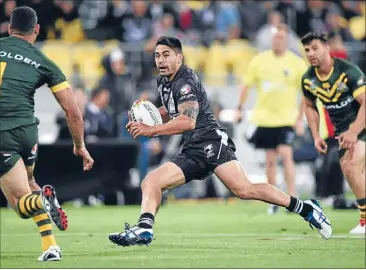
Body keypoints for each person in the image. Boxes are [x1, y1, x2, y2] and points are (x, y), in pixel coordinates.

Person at [108, 36, 332, 247]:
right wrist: (147, 116)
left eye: (166, 55)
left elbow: (188, 121)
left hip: (211, 142)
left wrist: (152, 129)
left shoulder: (184, 80)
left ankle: (305, 207)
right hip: (193, 148)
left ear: (179, 57)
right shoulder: (164, 81)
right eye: (157, 55)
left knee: (244, 190)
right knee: (151, 182)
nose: (161, 60)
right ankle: (144, 229)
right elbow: (171, 108)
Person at [0, 6, 94, 261]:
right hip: (28, 132)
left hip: (2, 132)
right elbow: (73, 111)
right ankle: (50, 246)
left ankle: (43, 201)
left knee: (21, 204)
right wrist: (80, 146)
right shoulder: (44, 61)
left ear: (9, 29)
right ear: (37, 31)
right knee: (30, 186)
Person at [236, 24, 307, 215]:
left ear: (287, 41)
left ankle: (292, 198)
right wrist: (239, 108)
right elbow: (246, 85)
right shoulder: (259, 61)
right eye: (276, 38)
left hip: (286, 119)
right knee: (270, 161)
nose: (278, 41)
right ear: (271, 40)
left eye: (282, 38)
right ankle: (274, 200)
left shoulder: (297, 63)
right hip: (265, 119)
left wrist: (300, 118)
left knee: (286, 156)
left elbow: (307, 92)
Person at [301, 31, 365, 234]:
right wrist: (316, 135)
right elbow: (309, 106)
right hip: (342, 131)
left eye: (315, 48)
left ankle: (365, 220)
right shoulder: (308, 79)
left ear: (327, 48)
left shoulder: (348, 72)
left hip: (360, 125)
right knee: (348, 170)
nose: (311, 53)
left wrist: (354, 131)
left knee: (353, 165)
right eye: (307, 50)